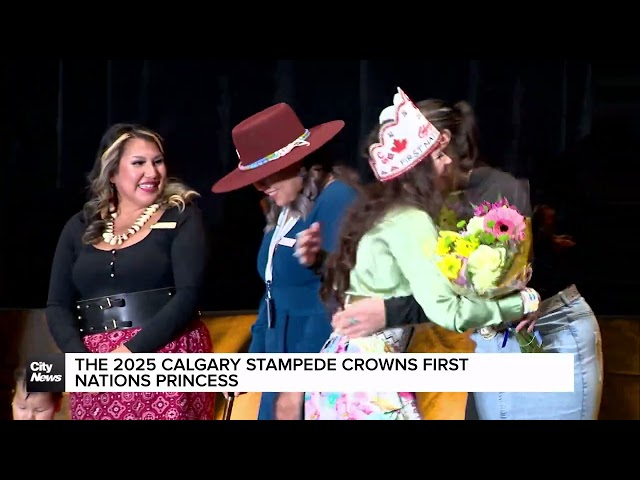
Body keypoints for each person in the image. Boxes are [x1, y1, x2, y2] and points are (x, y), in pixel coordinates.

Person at [300, 98, 603, 421]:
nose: (443, 161)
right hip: (463, 345)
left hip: (543, 332)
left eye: (441, 151)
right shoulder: (411, 211)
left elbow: (474, 292)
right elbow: (408, 282)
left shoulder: (495, 189)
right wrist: (325, 262)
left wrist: (389, 311)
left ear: (443, 141)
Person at [46, 123, 215, 420]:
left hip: (164, 352)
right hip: (96, 367)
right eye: (139, 163)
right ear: (112, 173)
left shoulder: (182, 216)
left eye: (157, 161)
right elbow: (57, 305)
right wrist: (82, 362)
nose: (152, 172)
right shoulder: (80, 225)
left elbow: (188, 295)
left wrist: (130, 353)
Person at [210, 102, 360, 420]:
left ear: (299, 161)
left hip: (319, 369)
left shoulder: (336, 198)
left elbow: (336, 303)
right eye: (255, 178)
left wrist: (297, 387)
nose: (260, 186)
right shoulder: (284, 210)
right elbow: (272, 295)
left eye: (265, 175)